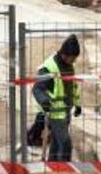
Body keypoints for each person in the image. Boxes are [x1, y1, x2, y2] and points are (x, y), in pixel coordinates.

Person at [32, 34, 82, 162]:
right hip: (54, 113)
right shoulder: (48, 68)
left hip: (65, 111)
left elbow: (73, 87)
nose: (74, 61)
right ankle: (64, 172)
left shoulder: (69, 66)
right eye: (72, 58)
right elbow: (37, 88)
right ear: (64, 54)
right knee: (65, 144)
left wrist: (77, 104)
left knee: (56, 143)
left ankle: (53, 168)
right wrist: (44, 101)